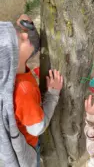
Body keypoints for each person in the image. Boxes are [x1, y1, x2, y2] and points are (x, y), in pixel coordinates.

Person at [0, 15, 63, 167]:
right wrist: (53, 94)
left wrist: (31, 29)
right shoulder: (23, 91)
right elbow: (37, 128)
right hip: (28, 148)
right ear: (13, 57)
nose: (24, 34)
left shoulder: (10, 75)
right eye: (20, 39)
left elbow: (31, 45)